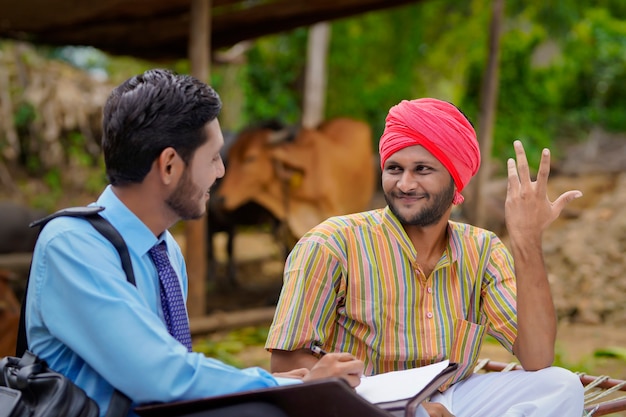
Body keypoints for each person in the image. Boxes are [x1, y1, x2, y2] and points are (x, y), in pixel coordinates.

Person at [24, 69, 363, 417]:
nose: (220, 172)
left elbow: (173, 372)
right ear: (169, 165)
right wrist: (290, 386)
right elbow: (159, 376)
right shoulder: (73, 246)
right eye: (213, 157)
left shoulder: (165, 250)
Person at [265, 98, 585, 416]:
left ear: (455, 178)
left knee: (561, 385)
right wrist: (409, 408)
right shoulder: (331, 243)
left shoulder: (483, 249)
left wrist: (527, 240)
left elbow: (538, 357)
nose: (405, 184)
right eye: (394, 169)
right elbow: (287, 367)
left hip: (452, 397)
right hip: (364, 402)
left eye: (422, 169)